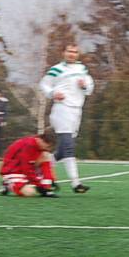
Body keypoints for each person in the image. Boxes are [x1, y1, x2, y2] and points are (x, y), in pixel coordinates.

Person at [39, 44, 94, 193]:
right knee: (69, 146)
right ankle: (76, 183)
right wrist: (52, 93)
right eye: (69, 51)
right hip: (62, 109)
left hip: (77, 111)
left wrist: (84, 86)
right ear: (64, 53)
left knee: (63, 150)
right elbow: (44, 84)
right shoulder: (56, 69)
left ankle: (40, 170)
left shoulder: (82, 69)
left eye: (75, 52)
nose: (72, 54)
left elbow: (89, 88)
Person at [0, 128, 58, 197]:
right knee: (29, 192)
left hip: (28, 170)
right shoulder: (28, 145)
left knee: (46, 155)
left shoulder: (41, 148)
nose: (49, 149)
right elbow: (26, 169)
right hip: (13, 170)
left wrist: (49, 184)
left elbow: (45, 168)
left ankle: (32, 184)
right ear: (43, 141)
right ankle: (7, 184)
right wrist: (40, 185)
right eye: (48, 146)